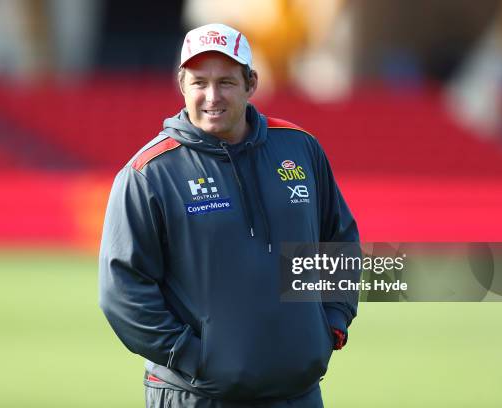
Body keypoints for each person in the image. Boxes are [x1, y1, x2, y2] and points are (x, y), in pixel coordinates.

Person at [99, 23, 359, 408]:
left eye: (226, 82)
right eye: (199, 82)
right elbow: (122, 288)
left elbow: (337, 240)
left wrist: (332, 323)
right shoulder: (149, 172)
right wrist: (193, 358)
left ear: (251, 83)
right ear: (182, 84)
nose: (211, 96)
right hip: (197, 395)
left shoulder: (300, 148)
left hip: (297, 392)